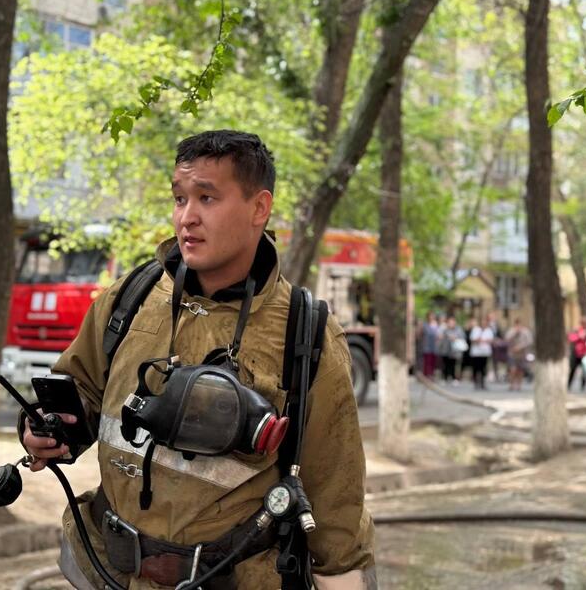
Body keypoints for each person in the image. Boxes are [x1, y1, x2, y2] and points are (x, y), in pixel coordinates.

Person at [22, 131, 376, 589]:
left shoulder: (305, 333)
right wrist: (46, 428)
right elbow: (80, 389)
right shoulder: (131, 298)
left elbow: (336, 498)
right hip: (111, 572)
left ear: (259, 208)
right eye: (179, 198)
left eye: (207, 198)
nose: (187, 217)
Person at [505, 318, 533, 392]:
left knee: (520, 370)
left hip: (522, 354)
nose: (518, 326)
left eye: (519, 325)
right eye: (517, 325)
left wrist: (520, 347)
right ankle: (511, 384)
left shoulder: (526, 332)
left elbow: (529, 342)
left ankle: (519, 385)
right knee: (512, 369)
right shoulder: (511, 331)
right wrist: (514, 333)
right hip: (512, 354)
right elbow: (507, 339)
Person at [437, 316, 464, 384]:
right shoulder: (445, 329)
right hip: (445, 349)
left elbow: (462, 337)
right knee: (445, 364)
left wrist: (455, 338)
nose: (451, 324)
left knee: (453, 365)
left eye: (452, 322)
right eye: (449, 322)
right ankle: (445, 378)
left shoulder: (458, 329)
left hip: (454, 351)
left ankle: (454, 378)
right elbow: (440, 337)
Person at [568, 316, 586, 391]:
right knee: (573, 370)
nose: (585, 325)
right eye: (584, 323)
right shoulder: (576, 330)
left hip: (584, 354)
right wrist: (579, 336)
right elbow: (571, 338)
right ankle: (568, 385)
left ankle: (583, 387)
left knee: (584, 371)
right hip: (576, 354)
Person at [469, 316, 494, 390]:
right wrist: (478, 339)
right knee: (476, 368)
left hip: (485, 352)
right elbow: (472, 339)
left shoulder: (489, 330)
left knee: (483, 368)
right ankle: (476, 382)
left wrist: (486, 341)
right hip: (476, 353)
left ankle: (483, 383)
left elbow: (491, 340)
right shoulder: (476, 329)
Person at [421, 312, 439, 378]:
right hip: (427, 345)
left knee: (433, 361)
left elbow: (438, 334)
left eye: (432, 316)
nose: (431, 317)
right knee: (427, 360)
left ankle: (432, 374)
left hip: (434, 345)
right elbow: (422, 333)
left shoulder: (436, 324)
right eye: (430, 316)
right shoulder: (425, 325)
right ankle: (426, 374)